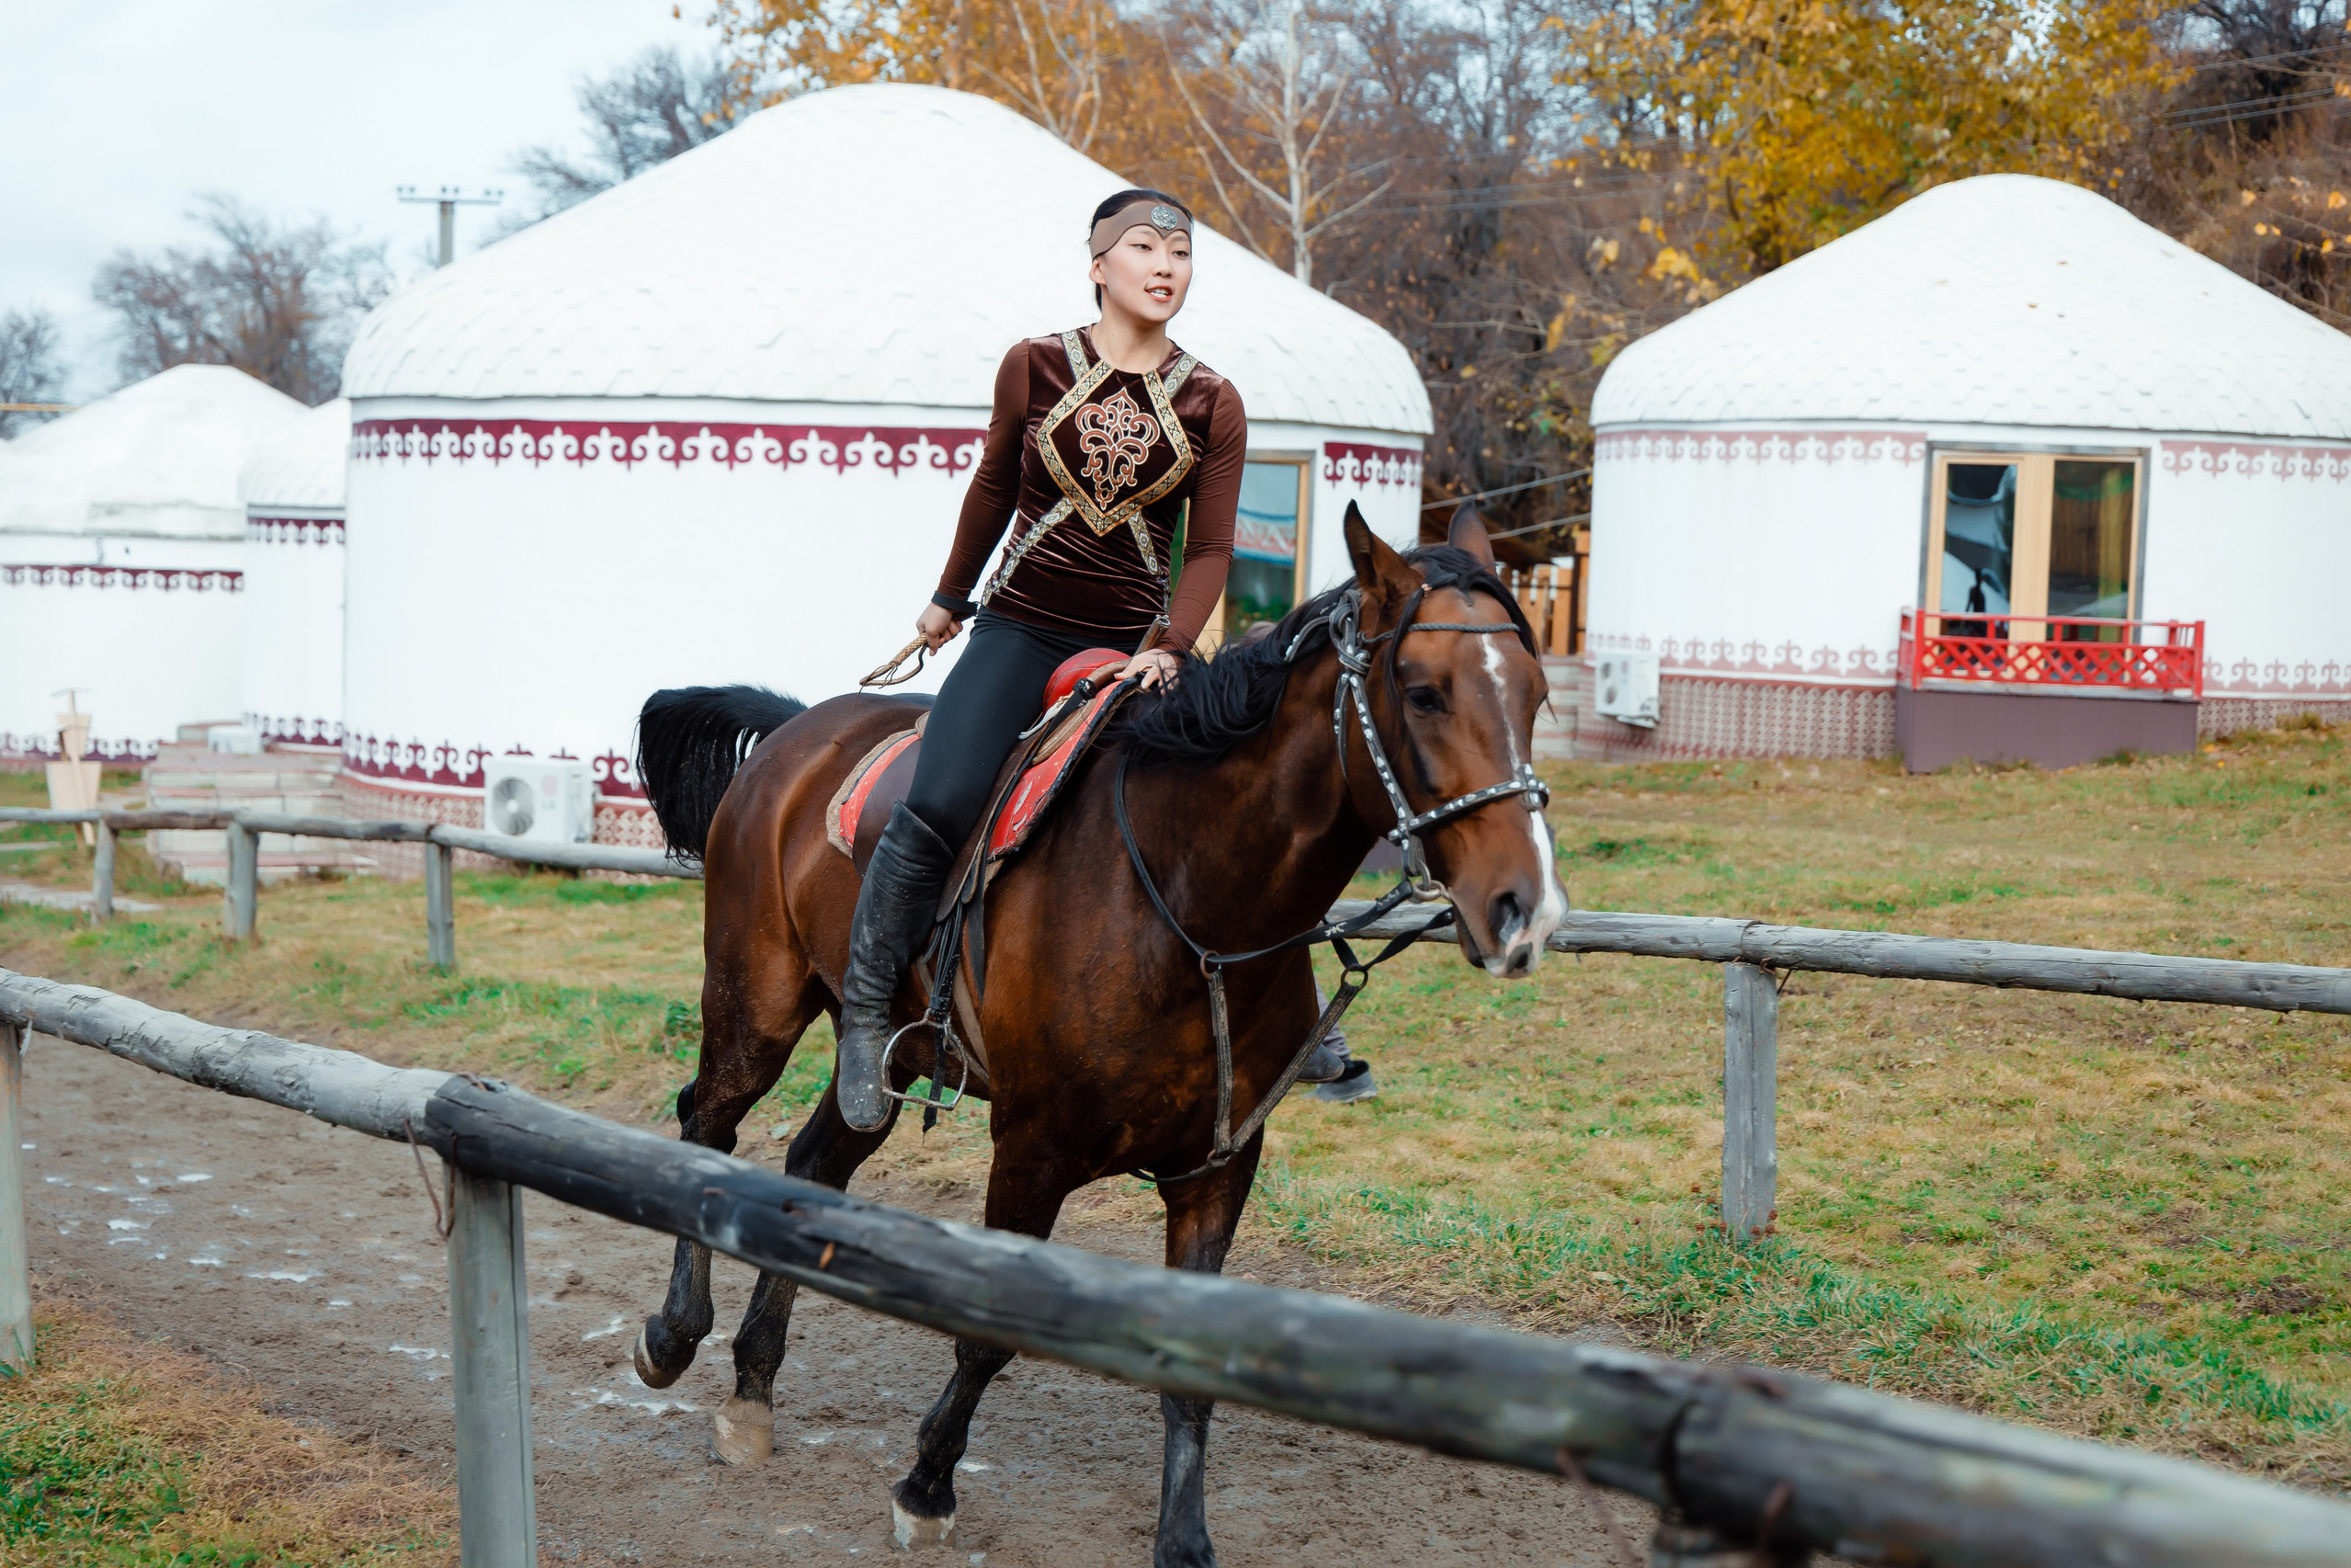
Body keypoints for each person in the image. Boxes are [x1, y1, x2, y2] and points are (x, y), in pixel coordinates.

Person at [832, 188, 1244, 1131]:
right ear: (1098, 265)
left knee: (1209, 801)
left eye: (1180, 252)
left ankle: (1259, 1004)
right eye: (1142, 246)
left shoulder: (1212, 398)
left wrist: (1171, 646)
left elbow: (1212, 548)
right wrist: (947, 597)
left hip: (1127, 648)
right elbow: (990, 485)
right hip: (1017, 626)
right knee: (937, 799)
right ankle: (865, 1015)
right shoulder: (1035, 363)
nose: (1165, 264)